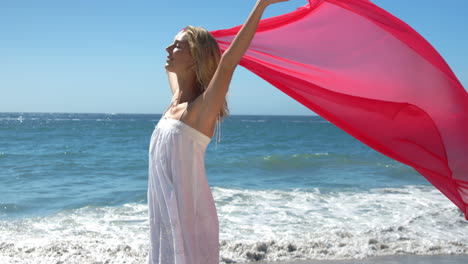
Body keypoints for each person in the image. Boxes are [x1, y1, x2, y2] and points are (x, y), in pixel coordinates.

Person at [147, 0, 289, 263]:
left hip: (191, 219)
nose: (168, 49)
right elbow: (171, 61)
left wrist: (261, 6)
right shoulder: (176, 100)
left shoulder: (200, 110)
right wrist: (184, 38)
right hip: (165, 218)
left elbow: (228, 62)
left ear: (195, 58)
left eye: (177, 46)